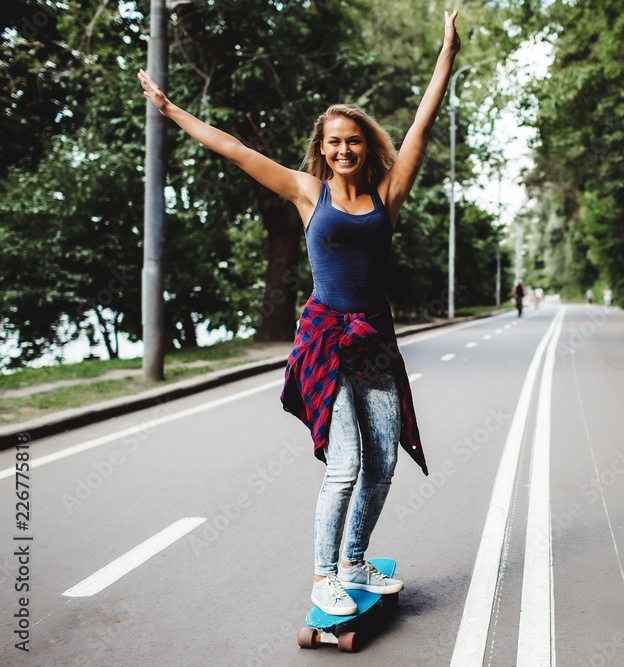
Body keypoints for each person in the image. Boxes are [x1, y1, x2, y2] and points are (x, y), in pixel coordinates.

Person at [137, 11, 460, 616]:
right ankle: (322, 576)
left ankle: (355, 560)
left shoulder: (387, 196)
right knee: (346, 462)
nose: (344, 148)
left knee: (384, 461)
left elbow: (422, 123)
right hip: (324, 340)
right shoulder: (305, 191)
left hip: (376, 344)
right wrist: (170, 109)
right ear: (322, 148)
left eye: (354, 139)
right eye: (334, 141)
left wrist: (447, 54)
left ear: (366, 146)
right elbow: (234, 150)